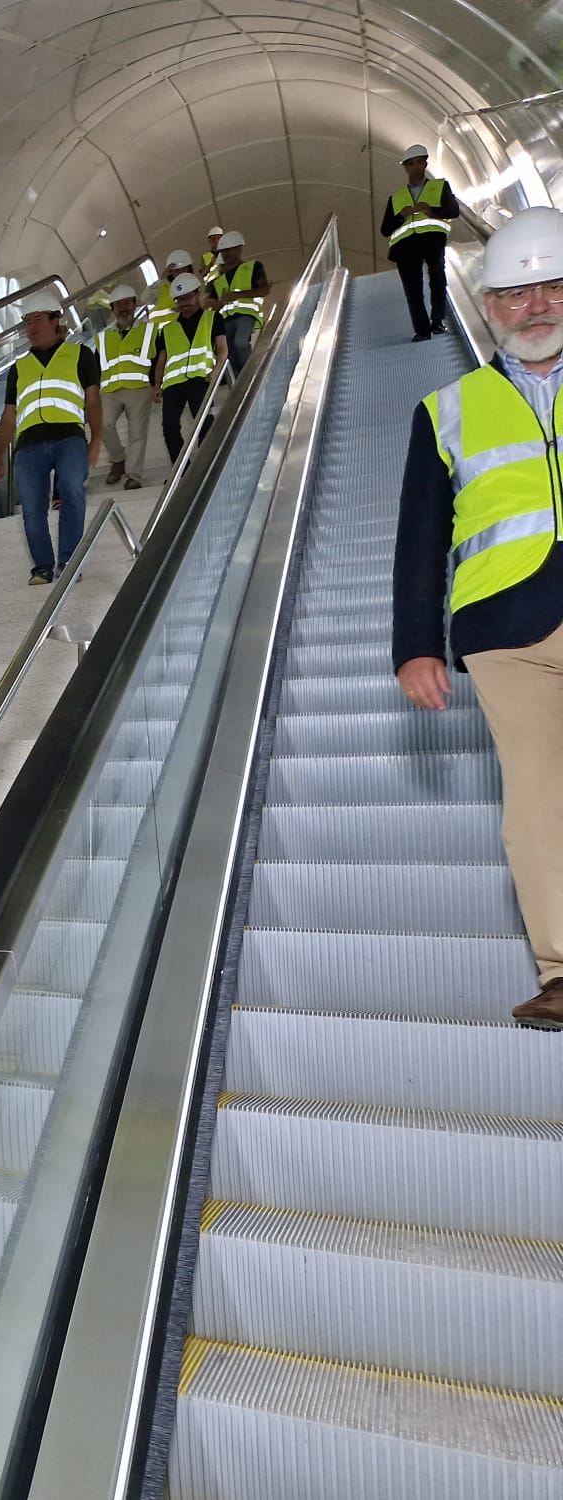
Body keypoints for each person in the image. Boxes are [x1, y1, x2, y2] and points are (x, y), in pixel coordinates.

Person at [393, 207, 563, 1029]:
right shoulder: (447, 408)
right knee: (536, 793)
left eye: (555, 289)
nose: (538, 307)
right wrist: (415, 647)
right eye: (518, 294)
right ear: (488, 306)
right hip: (505, 627)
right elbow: (420, 541)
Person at [0, 289, 103, 585]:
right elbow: (9, 414)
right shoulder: (19, 367)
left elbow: (92, 400)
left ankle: (69, 561)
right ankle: (42, 566)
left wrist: (96, 440)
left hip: (69, 439)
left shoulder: (80, 354)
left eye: (38, 319)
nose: (31, 327)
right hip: (28, 446)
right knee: (31, 510)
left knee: (72, 490)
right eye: (27, 321)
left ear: (56, 320)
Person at [382, 144, 460, 342]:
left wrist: (431, 210)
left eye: (418, 162)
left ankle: (437, 321)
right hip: (405, 247)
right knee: (412, 289)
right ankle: (422, 330)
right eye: (410, 164)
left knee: (437, 277)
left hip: (432, 239)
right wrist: (401, 216)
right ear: (405, 168)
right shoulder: (396, 198)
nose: (414, 167)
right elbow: (385, 229)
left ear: (425, 164)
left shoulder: (440, 187)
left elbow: (453, 211)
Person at [149, 272, 229, 465]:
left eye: (187, 298)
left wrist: (217, 369)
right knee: (169, 427)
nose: (184, 304)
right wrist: (157, 386)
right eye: (179, 300)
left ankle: (207, 463)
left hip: (201, 378)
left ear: (197, 294)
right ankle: (181, 469)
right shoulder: (167, 329)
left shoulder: (212, 318)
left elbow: (222, 349)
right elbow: (161, 361)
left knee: (204, 423)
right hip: (173, 384)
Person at [97, 284, 156, 490]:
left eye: (127, 303)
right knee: (102, 423)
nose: (123, 308)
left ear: (134, 304)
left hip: (139, 388)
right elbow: (97, 365)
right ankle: (118, 459)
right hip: (110, 391)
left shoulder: (149, 330)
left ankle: (134, 476)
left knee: (137, 433)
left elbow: (159, 358)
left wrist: (157, 385)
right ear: (112, 309)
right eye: (118, 305)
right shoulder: (103, 336)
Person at [207, 231, 269, 375]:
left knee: (240, 343)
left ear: (239, 249)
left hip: (246, 315)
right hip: (225, 320)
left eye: (229, 250)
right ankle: (237, 383)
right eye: (223, 251)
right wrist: (214, 303)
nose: (226, 254)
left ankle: (252, 374)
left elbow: (264, 289)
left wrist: (237, 295)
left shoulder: (253, 267)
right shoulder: (218, 278)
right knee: (228, 353)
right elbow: (211, 300)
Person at [148, 250, 197, 333]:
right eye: (177, 270)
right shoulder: (162, 288)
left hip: (189, 330)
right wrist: (161, 279)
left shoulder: (194, 286)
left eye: (184, 269)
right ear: (170, 272)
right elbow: (146, 298)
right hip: (164, 336)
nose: (181, 273)